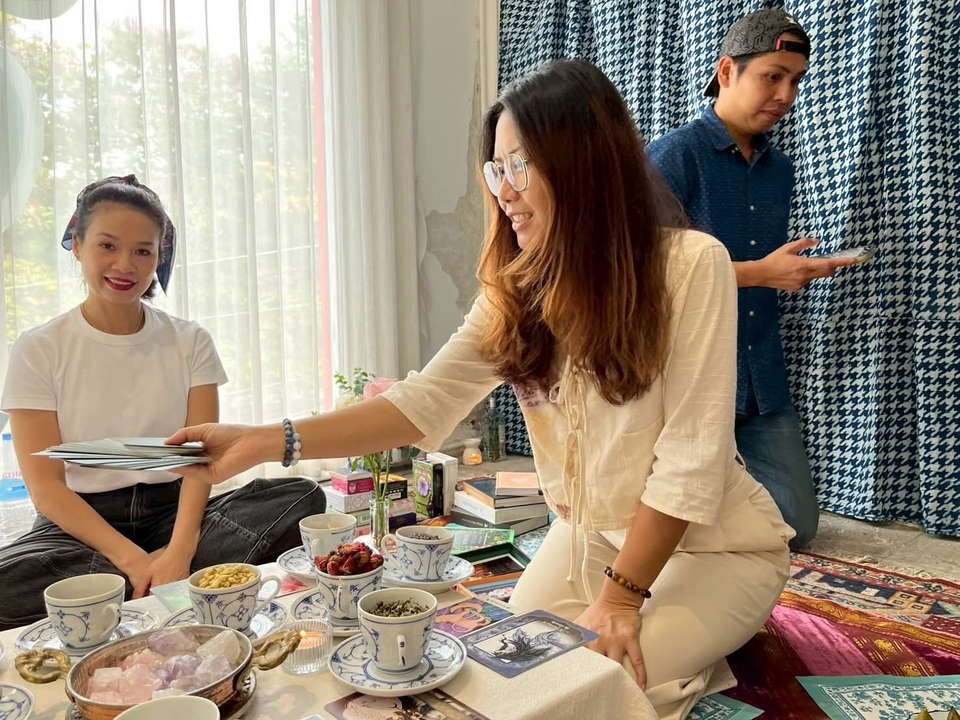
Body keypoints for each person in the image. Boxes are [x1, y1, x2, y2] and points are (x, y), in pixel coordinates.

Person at [169, 61, 794, 720]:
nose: (505, 191)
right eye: (496, 170)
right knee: (501, 675)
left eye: (520, 165)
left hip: (718, 548)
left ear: (584, 163)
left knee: (587, 686)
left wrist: (620, 600)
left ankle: (691, 652)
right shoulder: (517, 292)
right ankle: (684, 653)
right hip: (590, 539)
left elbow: (689, 464)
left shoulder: (691, 265)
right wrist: (266, 441)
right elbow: (422, 403)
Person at [0, 175, 326, 631]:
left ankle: (113, 593)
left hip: (173, 513)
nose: (125, 265)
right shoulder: (38, 348)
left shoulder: (189, 341)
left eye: (143, 251)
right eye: (108, 246)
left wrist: (178, 550)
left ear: (159, 256)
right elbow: (47, 490)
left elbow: (198, 459)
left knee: (303, 496)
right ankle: (154, 581)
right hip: (78, 523)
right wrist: (134, 559)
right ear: (77, 245)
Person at [645, 8, 856, 548]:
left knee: (796, 528)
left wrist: (791, 273)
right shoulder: (672, 156)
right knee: (666, 516)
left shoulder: (779, 169)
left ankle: (702, 506)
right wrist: (765, 272)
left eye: (796, 81)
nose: (785, 96)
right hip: (685, 376)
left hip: (760, 373)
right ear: (726, 72)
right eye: (772, 77)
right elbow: (647, 273)